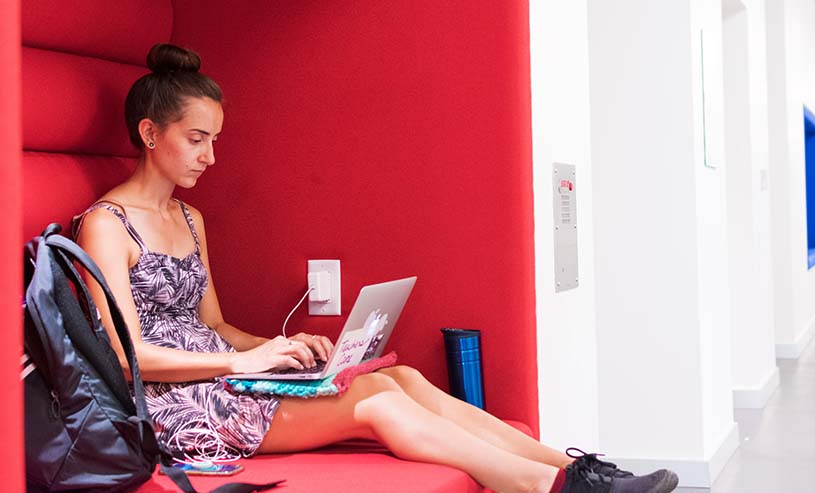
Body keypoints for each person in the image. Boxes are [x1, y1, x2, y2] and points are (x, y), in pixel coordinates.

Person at [73, 43, 678, 493]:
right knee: (376, 402)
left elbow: (217, 326)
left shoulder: (190, 218)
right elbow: (126, 356)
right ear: (150, 133)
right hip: (172, 404)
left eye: (215, 139)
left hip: (225, 377)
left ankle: (569, 468)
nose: (211, 156)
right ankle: (555, 490)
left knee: (402, 379)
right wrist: (242, 361)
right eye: (198, 139)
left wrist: (281, 347)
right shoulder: (104, 225)